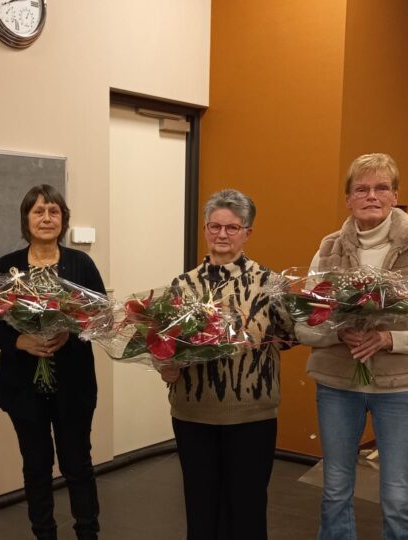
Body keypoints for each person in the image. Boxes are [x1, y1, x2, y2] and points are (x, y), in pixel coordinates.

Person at [297, 153, 408, 540]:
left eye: (382, 187)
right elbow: (304, 327)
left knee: (398, 496)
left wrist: (388, 339)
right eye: (362, 189)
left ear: (395, 196)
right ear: (348, 199)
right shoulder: (327, 250)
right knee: (335, 489)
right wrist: (339, 334)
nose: (372, 195)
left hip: (401, 391)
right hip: (338, 387)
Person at [159, 188, 293, 540]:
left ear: (247, 233)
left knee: (248, 510)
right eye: (215, 226)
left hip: (251, 414)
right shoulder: (183, 285)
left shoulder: (270, 283)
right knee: (201, 509)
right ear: (205, 229)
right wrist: (164, 364)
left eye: (232, 227)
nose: (222, 234)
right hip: (193, 412)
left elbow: (290, 337)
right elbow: (164, 343)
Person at [0, 184, 105, 540]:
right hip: (23, 387)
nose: (46, 218)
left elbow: (101, 317)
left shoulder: (81, 263)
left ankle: (87, 533)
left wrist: (69, 332)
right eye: (38, 211)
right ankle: (44, 533)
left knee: (77, 465)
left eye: (54, 211)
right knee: (36, 467)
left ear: (63, 219)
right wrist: (20, 341)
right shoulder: (7, 267)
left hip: (73, 386)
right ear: (27, 219)